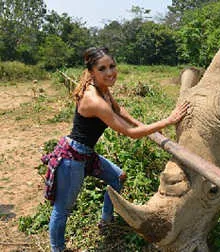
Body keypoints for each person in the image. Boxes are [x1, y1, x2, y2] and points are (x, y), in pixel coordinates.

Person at [42, 47, 189, 252]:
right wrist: (167, 121)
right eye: (102, 69)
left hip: (86, 154)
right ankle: (57, 249)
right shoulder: (94, 100)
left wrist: (143, 124)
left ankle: (106, 221)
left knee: (117, 177)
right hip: (72, 158)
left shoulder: (101, 88)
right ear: (92, 72)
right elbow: (129, 133)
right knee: (63, 208)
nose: (110, 72)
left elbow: (119, 110)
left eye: (112, 66)